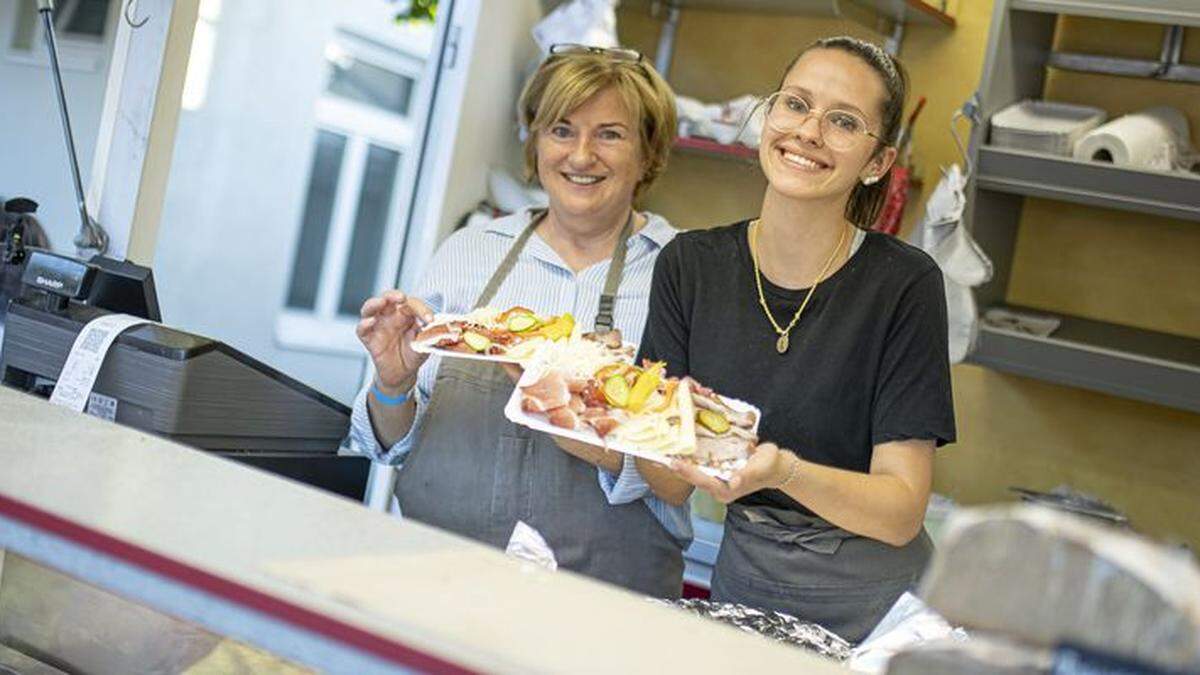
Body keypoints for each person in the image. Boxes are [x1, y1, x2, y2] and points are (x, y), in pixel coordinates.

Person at [639, 36, 956, 640]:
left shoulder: (904, 285)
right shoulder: (690, 265)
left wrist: (782, 471)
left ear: (877, 163)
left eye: (843, 121)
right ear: (767, 117)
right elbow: (669, 483)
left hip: (878, 607)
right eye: (795, 104)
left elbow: (899, 510)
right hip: (747, 585)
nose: (808, 132)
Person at [348, 44, 691, 597]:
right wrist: (393, 384)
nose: (581, 155)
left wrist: (585, 412)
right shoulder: (469, 251)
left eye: (610, 134)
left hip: (603, 601)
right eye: (560, 129)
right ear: (534, 143)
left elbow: (681, 479)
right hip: (435, 578)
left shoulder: (684, 274)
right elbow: (392, 445)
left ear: (648, 154)